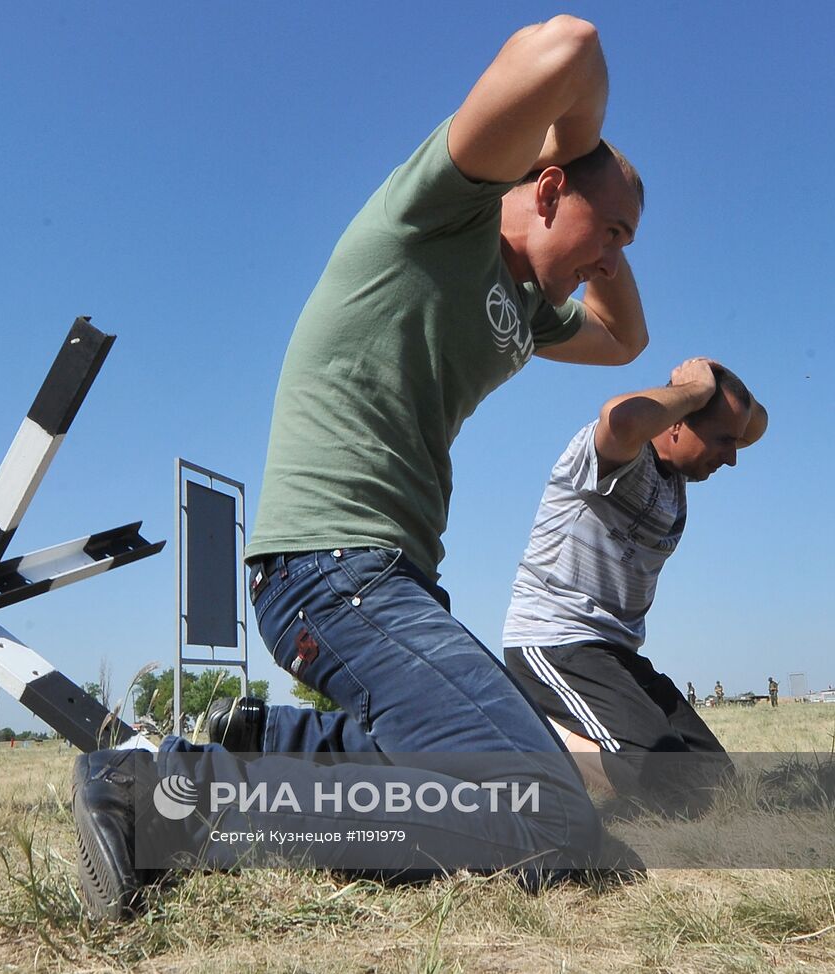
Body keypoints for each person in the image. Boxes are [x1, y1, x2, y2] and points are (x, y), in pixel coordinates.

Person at [73, 15, 649, 918]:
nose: (615, 260)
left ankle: (265, 740)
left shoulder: (528, 308)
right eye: (609, 233)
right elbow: (569, 43)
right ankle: (161, 805)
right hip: (335, 571)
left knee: (502, 774)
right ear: (543, 189)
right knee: (546, 818)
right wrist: (582, 155)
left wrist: (605, 214)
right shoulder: (437, 214)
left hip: (388, 581)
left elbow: (626, 340)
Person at [503, 359, 766, 816]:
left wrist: (713, 374)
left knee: (720, 784)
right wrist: (696, 387)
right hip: (555, 641)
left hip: (617, 654)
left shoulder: (676, 481)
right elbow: (621, 417)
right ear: (677, 422)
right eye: (724, 440)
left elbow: (755, 424)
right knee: (671, 792)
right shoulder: (618, 457)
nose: (734, 456)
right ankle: (536, 738)